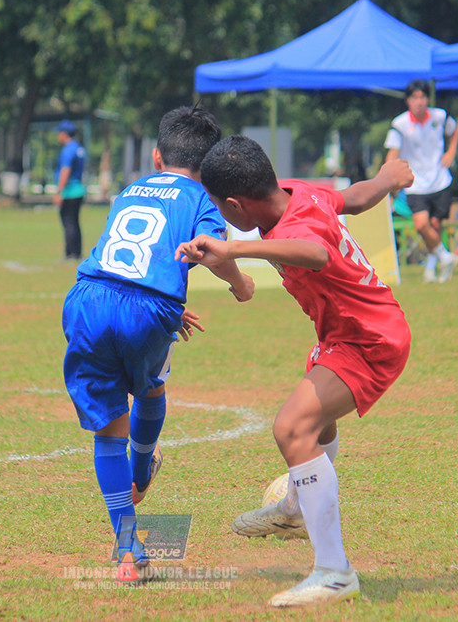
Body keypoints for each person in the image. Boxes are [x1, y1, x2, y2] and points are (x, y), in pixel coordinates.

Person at [176, 135, 413, 608]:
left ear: (235, 205)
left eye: (221, 209)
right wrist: (387, 178)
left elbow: (315, 253)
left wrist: (235, 249)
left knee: (291, 428)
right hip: (346, 334)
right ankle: (294, 510)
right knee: (316, 423)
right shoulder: (298, 192)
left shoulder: (295, 223)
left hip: (369, 341)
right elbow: (355, 198)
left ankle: (334, 573)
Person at [62, 107, 255, 586]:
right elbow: (211, 249)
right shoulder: (201, 196)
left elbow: (129, 256)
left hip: (88, 299)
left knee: (108, 431)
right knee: (150, 389)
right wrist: (240, 283)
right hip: (148, 309)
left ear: (156, 156)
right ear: (209, 165)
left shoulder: (131, 189)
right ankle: (142, 469)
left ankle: (129, 553)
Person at [385, 79, 458, 283]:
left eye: (422, 97)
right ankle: (446, 257)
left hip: (440, 180)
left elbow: (454, 130)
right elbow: (392, 153)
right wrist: (386, 181)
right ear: (407, 100)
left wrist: (451, 152)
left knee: (435, 224)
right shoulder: (400, 125)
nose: (418, 102)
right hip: (415, 184)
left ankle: (430, 268)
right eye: (414, 97)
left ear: (427, 99)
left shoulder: (440, 116)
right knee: (421, 224)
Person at [54, 120, 87, 260]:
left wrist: (59, 192)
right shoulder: (79, 148)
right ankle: (77, 252)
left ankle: (70, 253)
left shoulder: (68, 150)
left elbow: (65, 170)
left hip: (69, 191)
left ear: (64, 134)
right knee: (75, 222)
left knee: (69, 223)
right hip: (78, 189)